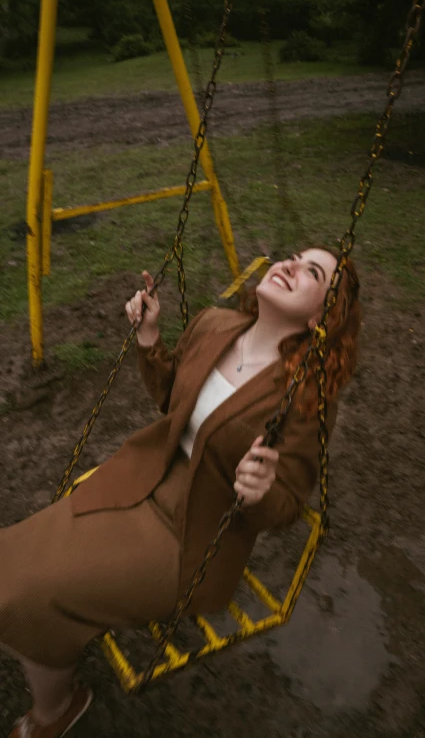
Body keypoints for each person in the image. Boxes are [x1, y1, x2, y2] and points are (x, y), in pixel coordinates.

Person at [0, 246, 361, 738]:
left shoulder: (304, 392)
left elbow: (287, 505)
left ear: (322, 313)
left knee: (26, 597)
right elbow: (173, 398)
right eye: (294, 256)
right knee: (8, 562)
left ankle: (56, 710)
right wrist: (149, 338)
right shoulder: (215, 324)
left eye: (312, 271)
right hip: (143, 480)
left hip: (191, 538)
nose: (291, 265)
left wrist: (260, 491)